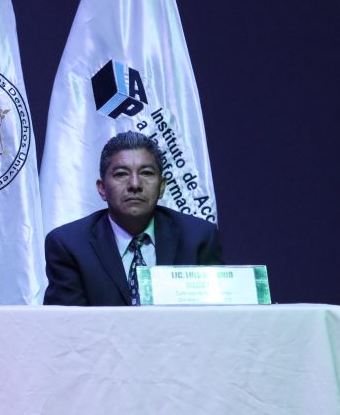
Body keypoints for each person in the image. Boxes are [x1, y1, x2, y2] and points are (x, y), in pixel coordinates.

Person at [43, 131, 222, 306]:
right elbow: (67, 322)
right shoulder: (69, 245)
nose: (135, 184)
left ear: (162, 187)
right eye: (121, 174)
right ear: (102, 188)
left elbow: (217, 315)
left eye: (146, 173)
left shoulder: (198, 238)